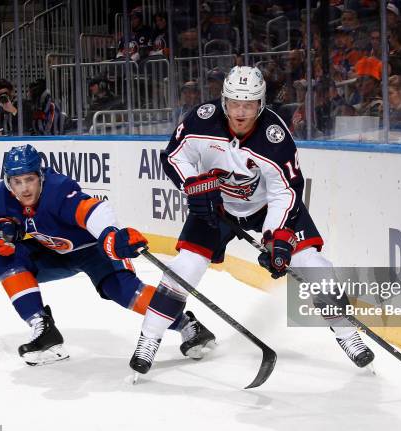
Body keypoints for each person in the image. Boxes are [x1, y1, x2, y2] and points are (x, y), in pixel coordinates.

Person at [122, 66, 375, 376]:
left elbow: (285, 192)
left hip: (267, 206)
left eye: (249, 104)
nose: (240, 112)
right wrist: (194, 185)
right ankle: (149, 340)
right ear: (224, 100)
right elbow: (174, 155)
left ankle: (348, 335)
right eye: (234, 103)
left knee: (315, 265)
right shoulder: (201, 119)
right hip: (217, 208)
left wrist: (277, 238)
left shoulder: (275, 136)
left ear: (261, 104)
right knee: (182, 270)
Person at [0, 144, 215, 366]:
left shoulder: (58, 189)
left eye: (30, 179)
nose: (24, 188)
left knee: (126, 293)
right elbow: (14, 222)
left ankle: (188, 325)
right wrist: (5, 231)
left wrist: (109, 235)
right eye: (17, 182)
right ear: (9, 182)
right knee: (6, 258)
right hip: (56, 254)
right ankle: (43, 329)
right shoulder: (2, 195)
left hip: (95, 250)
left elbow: (94, 210)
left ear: (41, 176)